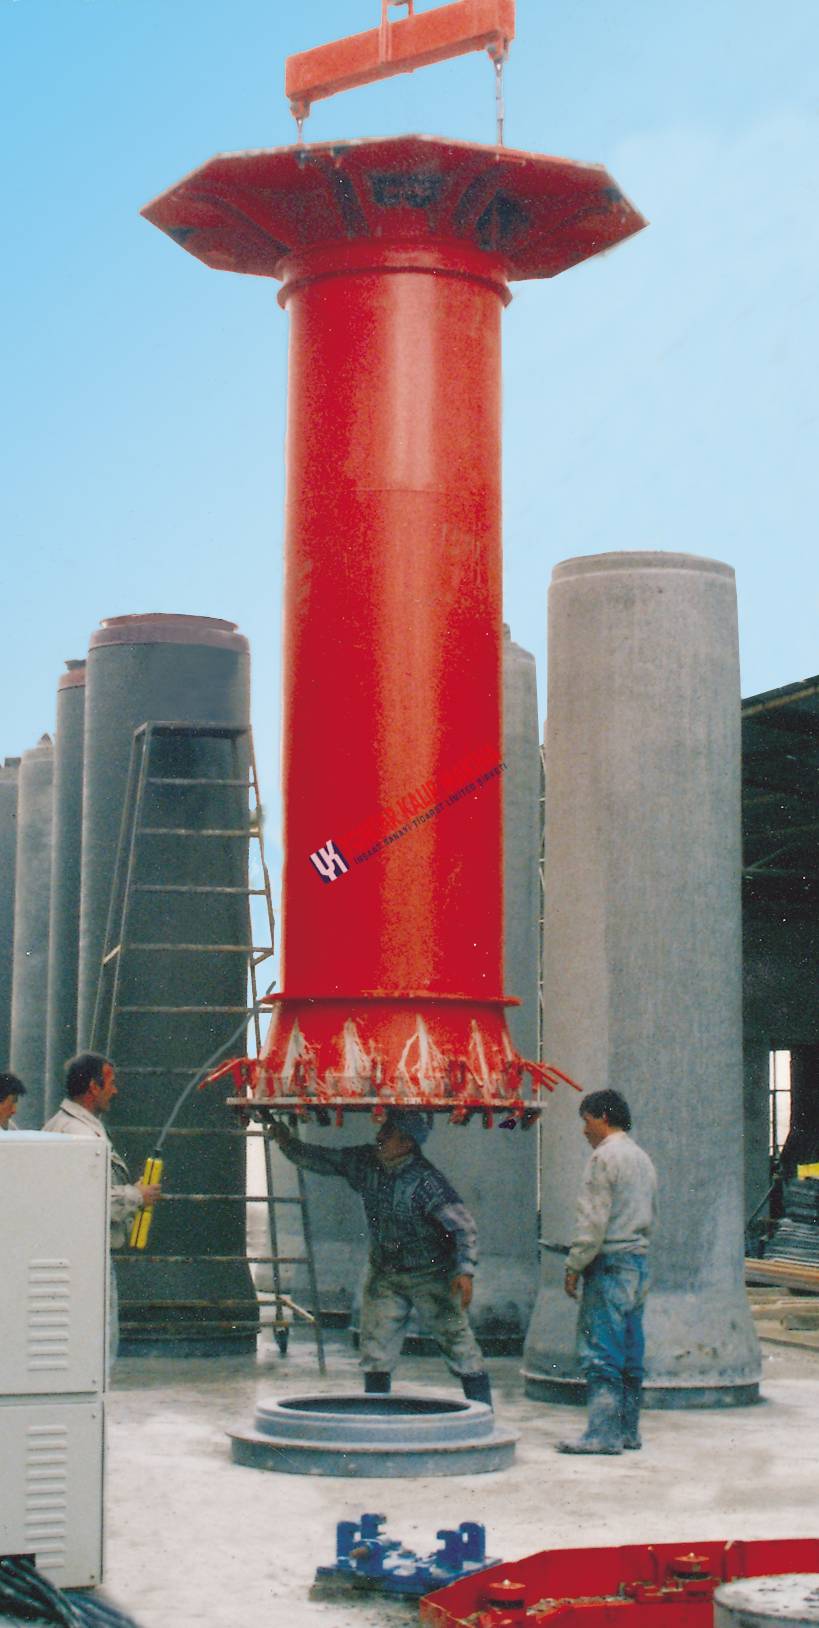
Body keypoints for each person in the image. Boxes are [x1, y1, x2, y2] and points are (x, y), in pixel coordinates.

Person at [270, 1107, 493, 1406]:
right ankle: (375, 1413)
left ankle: (483, 1414)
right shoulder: (366, 1164)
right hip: (385, 1274)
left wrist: (465, 1272)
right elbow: (325, 1160)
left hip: (432, 1275)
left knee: (459, 1344)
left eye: (387, 1134)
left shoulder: (428, 1184)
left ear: (407, 1143)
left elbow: (464, 1228)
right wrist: (288, 1143)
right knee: (375, 1349)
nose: (379, 1137)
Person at [43, 1052, 162, 1365]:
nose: (116, 1090)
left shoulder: (59, 1124)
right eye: (111, 1082)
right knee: (97, 1346)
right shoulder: (82, 1136)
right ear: (92, 1088)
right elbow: (90, 1201)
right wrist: (136, 1195)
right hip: (87, 1257)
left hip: (66, 1254)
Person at [558, 1088, 657, 1456]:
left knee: (601, 1352)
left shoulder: (604, 1158)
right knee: (631, 1353)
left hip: (609, 1264)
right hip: (638, 1264)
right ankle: (627, 1431)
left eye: (586, 1121)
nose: (584, 1130)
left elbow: (593, 1222)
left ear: (602, 1117)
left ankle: (601, 1434)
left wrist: (574, 1264)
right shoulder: (641, 1158)